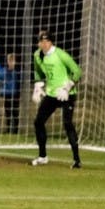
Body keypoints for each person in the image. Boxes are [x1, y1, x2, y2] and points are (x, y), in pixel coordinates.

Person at [30, 29, 82, 168]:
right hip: (52, 94)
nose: (44, 44)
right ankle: (42, 156)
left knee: (67, 123)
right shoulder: (37, 55)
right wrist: (38, 86)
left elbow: (77, 71)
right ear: (39, 43)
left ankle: (77, 160)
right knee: (38, 122)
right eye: (42, 41)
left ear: (51, 42)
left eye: (47, 41)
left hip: (66, 93)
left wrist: (67, 87)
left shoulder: (60, 54)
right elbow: (38, 71)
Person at [0, 52, 21, 134]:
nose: (10, 62)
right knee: (7, 112)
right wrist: (0, 91)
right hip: (7, 94)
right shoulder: (4, 70)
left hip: (15, 95)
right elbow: (0, 81)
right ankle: (8, 129)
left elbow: (20, 82)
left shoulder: (18, 71)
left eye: (12, 60)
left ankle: (15, 130)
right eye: (9, 60)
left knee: (15, 113)